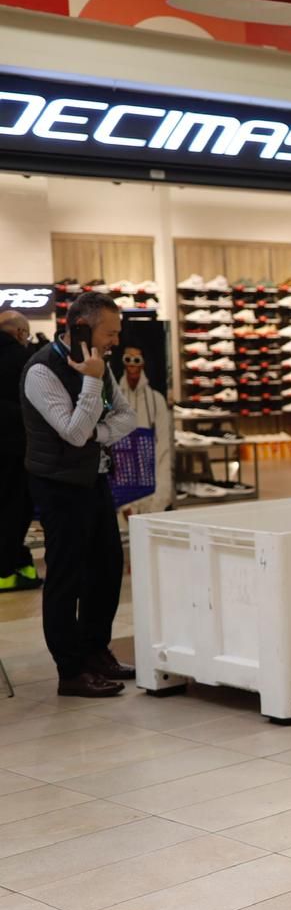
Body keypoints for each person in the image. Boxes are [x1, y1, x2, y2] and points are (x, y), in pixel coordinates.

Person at [21, 291, 138, 698]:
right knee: (66, 577)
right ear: (82, 327)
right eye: (111, 332)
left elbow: (126, 416)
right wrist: (90, 381)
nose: (115, 342)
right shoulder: (41, 372)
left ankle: (94, 651)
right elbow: (71, 431)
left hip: (94, 478)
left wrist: (97, 434)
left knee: (107, 567)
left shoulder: (101, 367)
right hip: (58, 485)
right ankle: (70, 670)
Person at [0, 311, 41, 592]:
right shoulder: (24, 359)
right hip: (16, 449)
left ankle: (13, 562)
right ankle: (5, 569)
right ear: (19, 333)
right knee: (15, 509)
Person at [114, 345, 173, 517]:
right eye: (128, 359)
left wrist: (160, 499)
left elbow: (164, 450)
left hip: (152, 496)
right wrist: (123, 504)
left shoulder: (156, 401)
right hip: (121, 498)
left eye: (137, 360)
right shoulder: (113, 399)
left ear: (143, 364)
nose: (132, 364)